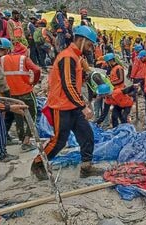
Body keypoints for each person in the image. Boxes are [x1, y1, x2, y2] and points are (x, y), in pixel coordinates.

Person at [31, 25, 103, 180]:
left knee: (87, 134)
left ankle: (86, 167)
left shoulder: (75, 58)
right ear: (82, 40)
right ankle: (38, 164)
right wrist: (83, 106)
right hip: (61, 106)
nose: (91, 49)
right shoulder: (67, 57)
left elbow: (75, 84)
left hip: (72, 106)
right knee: (59, 140)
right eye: (90, 45)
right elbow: (68, 85)